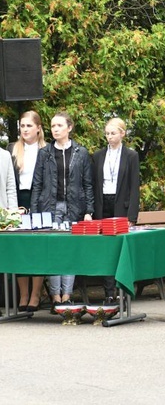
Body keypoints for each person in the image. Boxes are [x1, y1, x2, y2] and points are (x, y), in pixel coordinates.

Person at [31, 112, 94, 307]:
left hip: (74, 207)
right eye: (53, 126)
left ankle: (67, 296)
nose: (55, 129)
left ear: (69, 127)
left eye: (59, 125)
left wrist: (89, 210)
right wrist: (35, 213)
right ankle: (55, 297)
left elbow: (87, 184)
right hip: (50, 207)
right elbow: (37, 184)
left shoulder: (80, 152)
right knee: (53, 251)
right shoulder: (45, 153)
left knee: (69, 251)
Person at [92, 117, 141, 302]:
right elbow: (95, 184)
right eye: (107, 134)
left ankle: (124, 289)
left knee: (120, 248)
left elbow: (134, 186)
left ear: (122, 133)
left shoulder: (131, 156)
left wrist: (132, 215)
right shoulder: (98, 156)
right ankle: (109, 292)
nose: (109, 137)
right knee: (106, 248)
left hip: (121, 204)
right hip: (103, 203)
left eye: (113, 133)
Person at [11, 111, 46, 311]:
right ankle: (23, 295)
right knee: (21, 249)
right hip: (19, 200)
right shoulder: (13, 149)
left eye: (29, 126)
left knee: (37, 249)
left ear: (38, 128)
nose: (25, 130)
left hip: (39, 201)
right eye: (22, 126)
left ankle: (35, 295)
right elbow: (10, 180)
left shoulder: (46, 150)